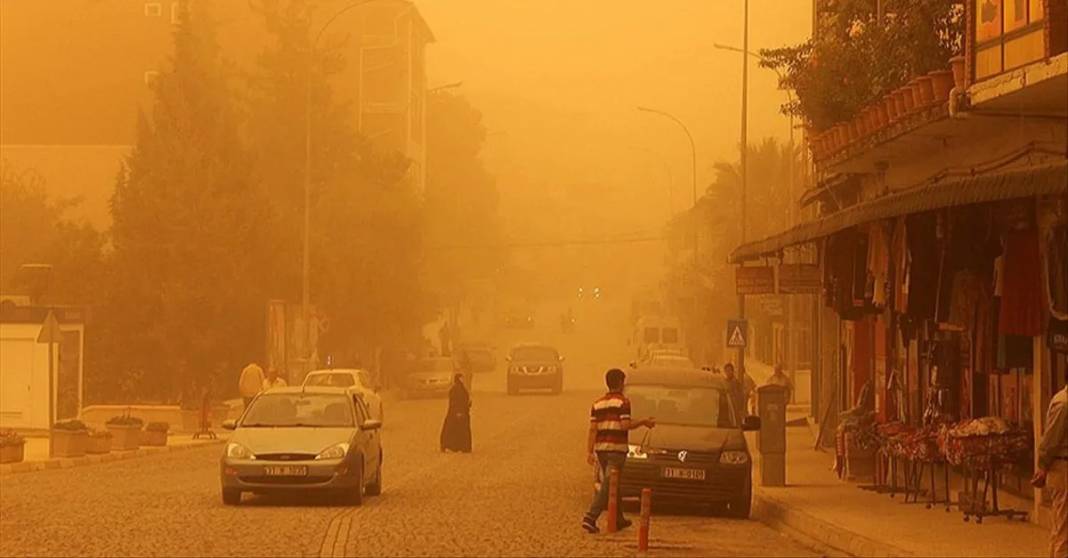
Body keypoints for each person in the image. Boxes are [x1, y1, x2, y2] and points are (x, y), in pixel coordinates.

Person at [582, 368, 655, 534]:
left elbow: (593, 429)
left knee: (614, 483)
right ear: (621, 383)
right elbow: (625, 425)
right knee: (609, 484)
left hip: (601, 450)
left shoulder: (597, 403)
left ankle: (619, 519)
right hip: (617, 449)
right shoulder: (624, 402)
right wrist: (644, 422)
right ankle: (590, 517)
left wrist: (589, 451)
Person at [1033, 374, 1067, 558]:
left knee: (1060, 527)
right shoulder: (1063, 404)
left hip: (1060, 467)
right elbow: (1050, 441)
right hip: (1062, 469)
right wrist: (1043, 465)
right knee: (1064, 531)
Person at [440, 374, 472, 453]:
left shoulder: (457, 389)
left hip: (458, 412)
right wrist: (459, 411)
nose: (463, 379)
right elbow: (456, 402)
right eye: (462, 378)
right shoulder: (457, 390)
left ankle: (456, 446)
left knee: (453, 429)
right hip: (459, 413)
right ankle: (458, 446)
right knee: (457, 430)